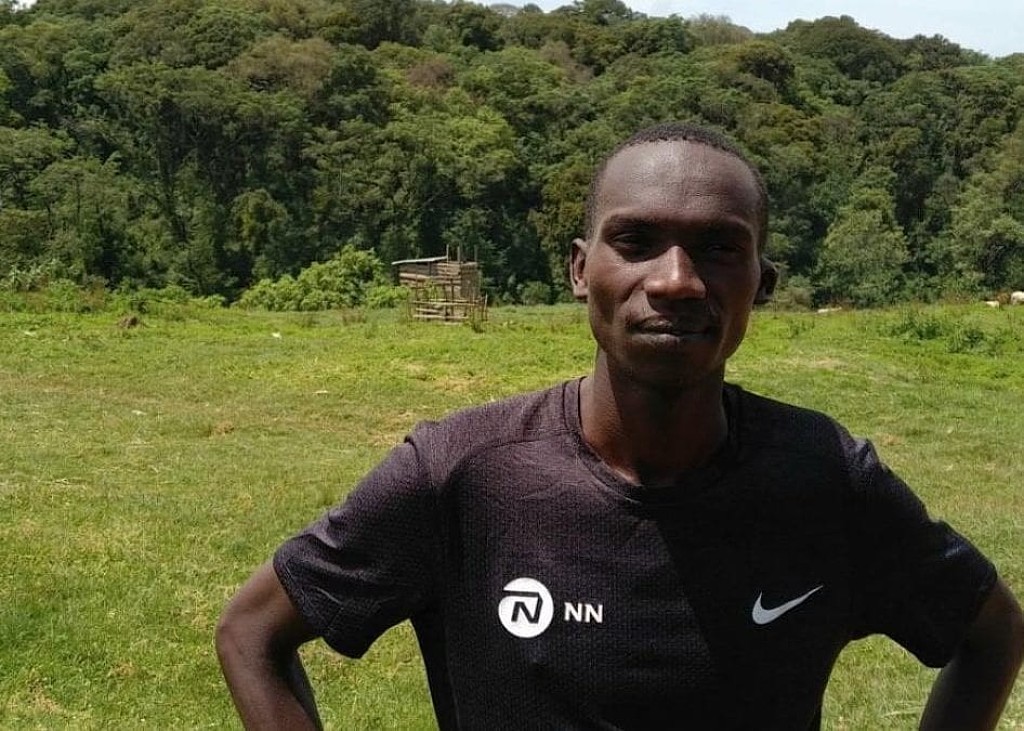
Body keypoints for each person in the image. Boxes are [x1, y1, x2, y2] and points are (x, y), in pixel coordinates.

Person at [216, 122, 1023, 729]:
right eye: (635, 241)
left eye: (719, 248)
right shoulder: (463, 471)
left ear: (762, 282)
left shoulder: (824, 477)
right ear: (580, 270)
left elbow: (992, 631)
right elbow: (253, 631)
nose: (675, 280)